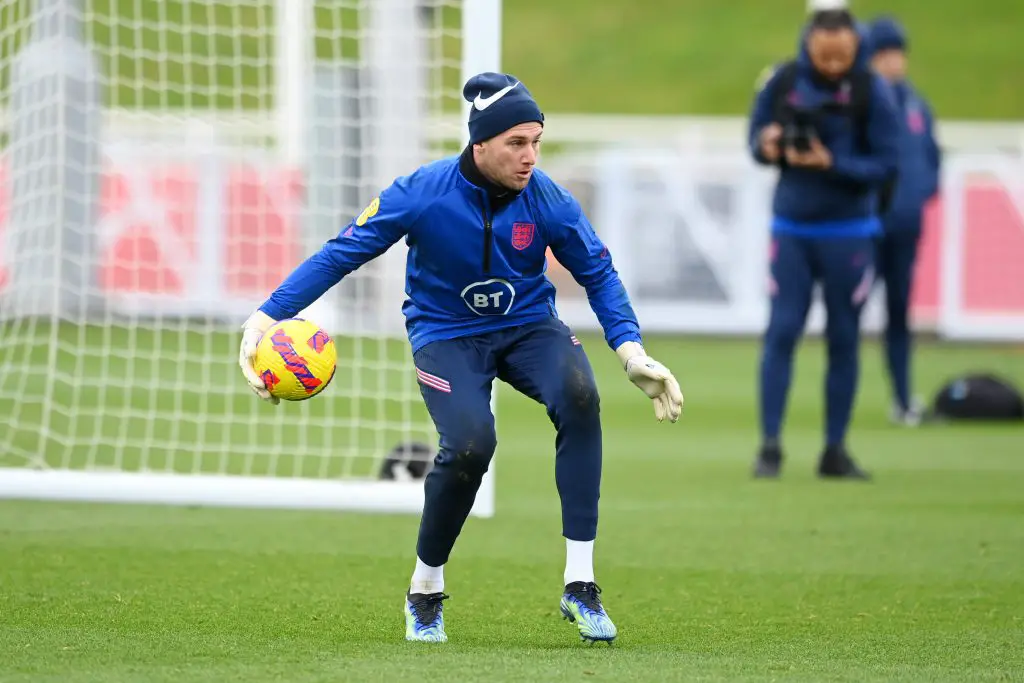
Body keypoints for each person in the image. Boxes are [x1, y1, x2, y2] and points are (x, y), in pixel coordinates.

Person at [236, 72, 684, 644]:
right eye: (516, 144)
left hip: (527, 328)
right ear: (480, 143)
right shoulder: (421, 192)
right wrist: (265, 319)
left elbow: (597, 269)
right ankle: (424, 590)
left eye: (536, 142)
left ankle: (580, 584)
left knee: (579, 396)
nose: (530, 157)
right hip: (446, 337)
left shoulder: (548, 199)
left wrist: (630, 350)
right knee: (472, 443)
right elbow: (340, 254)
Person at [747, 9, 900, 480]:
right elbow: (754, 140)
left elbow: (887, 164)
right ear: (808, 44)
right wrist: (768, 146)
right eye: (824, 54)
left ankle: (835, 449)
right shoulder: (784, 81)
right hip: (792, 229)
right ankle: (770, 447)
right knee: (782, 331)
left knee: (844, 338)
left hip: (849, 233)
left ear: (857, 47)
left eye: (842, 55)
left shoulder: (873, 91)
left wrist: (832, 162)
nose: (833, 63)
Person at [867, 16, 941, 426]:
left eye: (897, 54)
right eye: (885, 55)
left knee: (900, 313)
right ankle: (840, 402)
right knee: (850, 315)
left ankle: (901, 397)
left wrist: (914, 197)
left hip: (906, 227)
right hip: (867, 228)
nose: (894, 63)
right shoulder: (863, 102)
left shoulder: (917, 105)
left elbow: (931, 160)